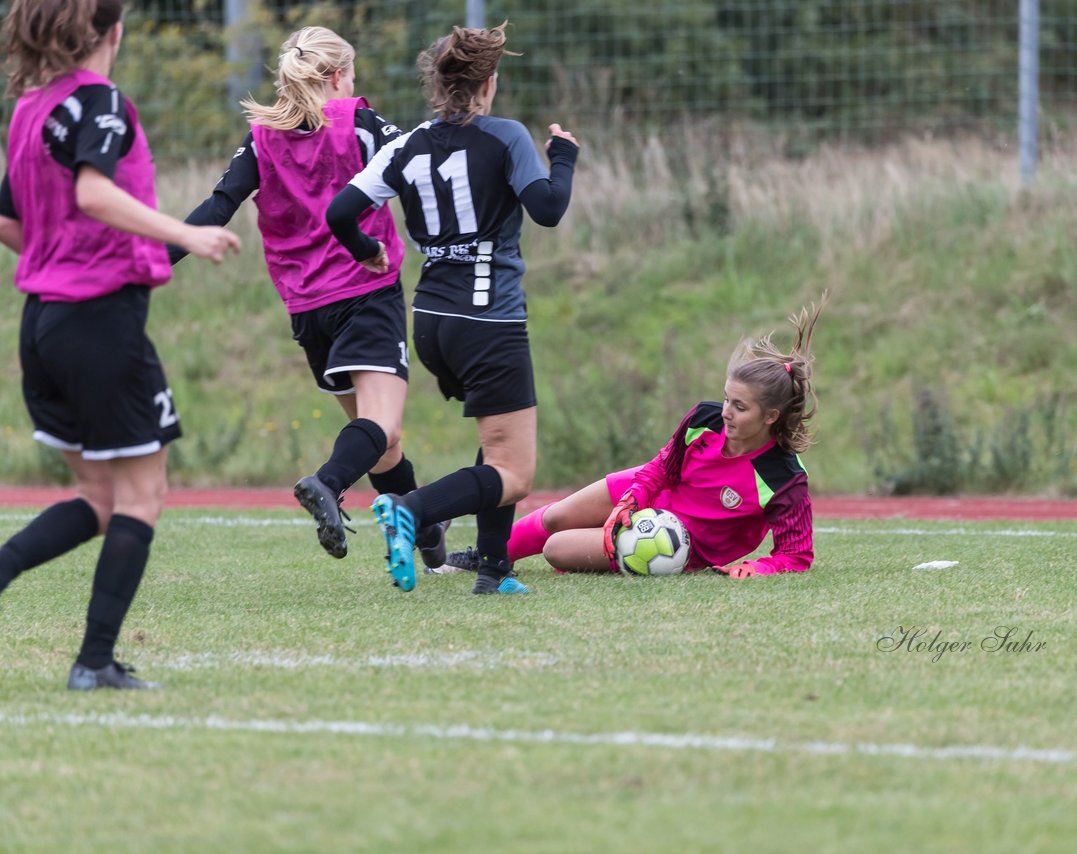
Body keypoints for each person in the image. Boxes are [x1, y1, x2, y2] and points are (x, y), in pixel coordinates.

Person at [0, 0, 240, 690]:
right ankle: (95, 662)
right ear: (113, 32)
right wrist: (184, 233)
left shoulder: (29, 109)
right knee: (141, 495)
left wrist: (55, 251)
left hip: (42, 322)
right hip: (97, 322)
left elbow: (7, 218)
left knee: (99, 496)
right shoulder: (100, 101)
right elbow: (95, 192)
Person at [171, 26, 448, 566]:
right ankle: (326, 482)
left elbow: (217, 207)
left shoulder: (261, 137)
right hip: (366, 291)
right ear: (339, 76)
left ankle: (431, 545)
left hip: (307, 309)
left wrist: (151, 263)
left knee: (378, 440)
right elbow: (421, 170)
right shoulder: (359, 123)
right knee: (382, 427)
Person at [326, 22, 578, 595]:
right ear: (487, 84)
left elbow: (340, 211)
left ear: (436, 86)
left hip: (432, 323)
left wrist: (368, 252)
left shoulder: (407, 144)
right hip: (489, 321)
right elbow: (548, 209)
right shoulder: (506, 135)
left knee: (498, 440)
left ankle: (493, 571)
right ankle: (411, 510)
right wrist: (562, 157)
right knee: (514, 472)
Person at [445, 300, 825, 578]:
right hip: (651, 487)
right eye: (727, 399)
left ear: (770, 416)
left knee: (555, 548)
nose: (726, 411)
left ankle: (614, 546)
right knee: (558, 515)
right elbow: (663, 467)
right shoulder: (704, 419)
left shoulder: (784, 476)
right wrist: (632, 500)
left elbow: (796, 555)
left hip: (678, 538)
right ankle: (489, 555)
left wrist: (757, 568)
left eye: (740, 407)